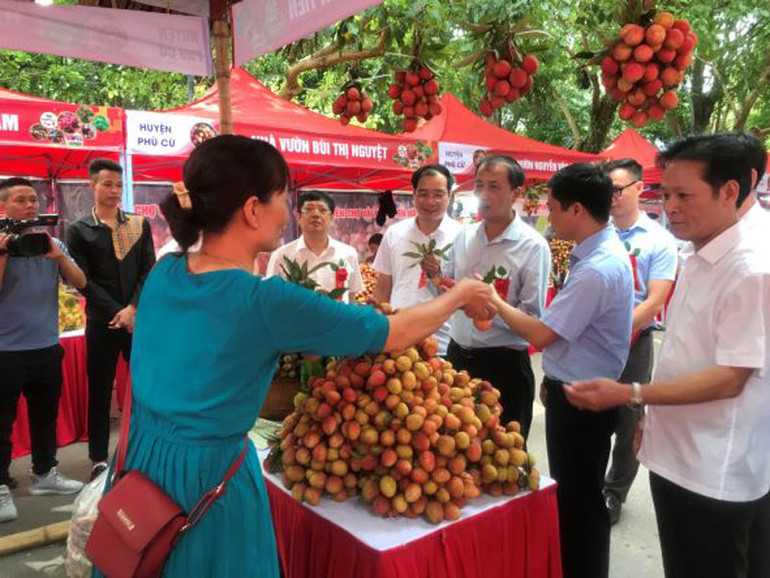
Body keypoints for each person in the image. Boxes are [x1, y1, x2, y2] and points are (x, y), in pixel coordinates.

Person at [90, 135, 492, 578]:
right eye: (283, 196)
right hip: (207, 485)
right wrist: (463, 295)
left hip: (139, 467)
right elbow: (391, 333)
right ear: (252, 209)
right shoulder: (264, 302)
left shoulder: (166, 272)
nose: (289, 211)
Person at [565, 134, 770, 578]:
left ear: (730, 191)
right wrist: (650, 417)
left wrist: (630, 392)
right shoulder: (699, 254)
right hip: (678, 457)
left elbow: (730, 378)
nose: (670, 206)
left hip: (714, 470)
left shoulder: (751, 268)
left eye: (684, 195)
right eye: (666, 193)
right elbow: (684, 354)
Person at [485, 162, 634, 578]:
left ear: (578, 210)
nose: (548, 214)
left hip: (586, 398)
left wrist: (493, 301)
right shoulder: (597, 254)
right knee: (575, 494)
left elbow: (542, 333)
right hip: (577, 387)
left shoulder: (597, 269)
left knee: (579, 501)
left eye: (552, 207)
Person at [442, 155, 550, 439]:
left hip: (504, 366)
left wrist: (493, 305)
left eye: (494, 186)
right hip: (457, 359)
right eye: (479, 186)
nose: (484, 195)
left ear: (517, 193)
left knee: (505, 453)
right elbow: (449, 284)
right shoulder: (464, 236)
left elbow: (533, 320)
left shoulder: (533, 246)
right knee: (455, 449)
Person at [0, 178, 87, 523]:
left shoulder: (52, 243)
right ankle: (1, 488)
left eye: (33, 200)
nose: (30, 206)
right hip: (5, 352)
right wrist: (4, 254)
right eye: (21, 200)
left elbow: (81, 282)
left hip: (47, 348)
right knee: (1, 424)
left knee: (44, 418)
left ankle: (45, 475)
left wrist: (57, 256)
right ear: (4, 207)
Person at [66, 159, 156, 481]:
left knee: (145, 388)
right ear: (92, 185)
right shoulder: (79, 230)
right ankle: (98, 459)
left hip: (138, 322)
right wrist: (117, 312)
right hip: (101, 324)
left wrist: (133, 309)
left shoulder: (138, 224)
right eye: (107, 184)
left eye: (118, 185)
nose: (114, 191)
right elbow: (83, 281)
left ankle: (144, 449)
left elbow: (149, 270)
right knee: (100, 390)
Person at [603, 159, 677, 525]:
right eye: (607, 191)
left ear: (638, 187)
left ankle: (614, 493)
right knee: (590, 412)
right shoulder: (596, 234)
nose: (611, 197)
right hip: (594, 343)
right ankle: (587, 485)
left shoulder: (658, 241)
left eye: (617, 189)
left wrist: (616, 332)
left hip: (634, 341)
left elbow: (654, 302)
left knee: (628, 420)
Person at [373, 164, 462, 355]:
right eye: (423, 194)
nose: (430, 201)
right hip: (398, 338)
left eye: (438, 194)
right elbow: (383, 286)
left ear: (449, 197)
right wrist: (376, 328)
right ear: (413, 196)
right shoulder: (394, 233)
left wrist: (437, 275)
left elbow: (465, 294)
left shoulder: (463, 236)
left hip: (442, 343)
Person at [266, 191, 363, 302]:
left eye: (322, 210)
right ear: (298, 217)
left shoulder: (348, 254)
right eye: (309, 209)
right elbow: (271, 297)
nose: (316, 214)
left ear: (331, 218)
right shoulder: (281, 256)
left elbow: (351, 297)